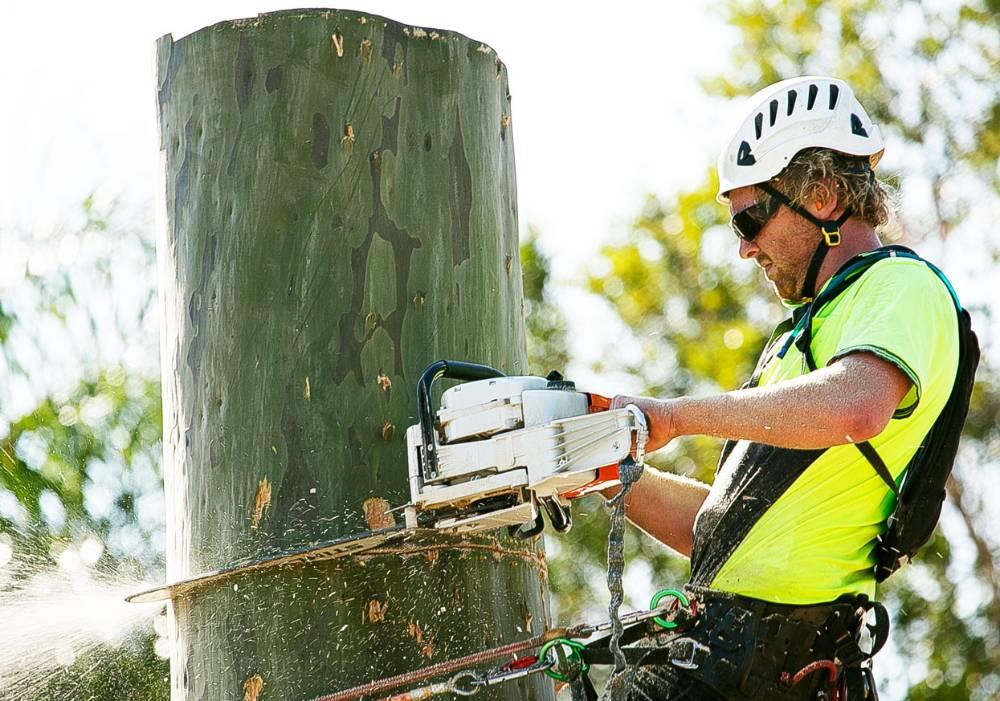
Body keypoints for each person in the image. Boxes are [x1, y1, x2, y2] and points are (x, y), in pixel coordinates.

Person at [606, 76, 962, 700]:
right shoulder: (799, 339)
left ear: (824, 196)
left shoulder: (902, 287)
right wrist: (602, 470)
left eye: (751, 216)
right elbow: (720, 533)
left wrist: (673, 417)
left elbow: (857, 408)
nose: (744, 247)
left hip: (785, 666)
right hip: (735, 656)